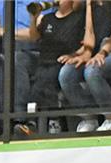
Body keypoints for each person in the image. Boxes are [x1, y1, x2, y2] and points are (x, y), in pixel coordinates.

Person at [59, 0, 111, 133]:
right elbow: (89, 33)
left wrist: (103, 52)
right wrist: (85, 54)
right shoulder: (92, 2)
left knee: (92, 71)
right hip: (99, 51)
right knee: (66, 74)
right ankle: (89, 118)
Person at [16, 0, 85, 136]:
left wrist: (73, 55)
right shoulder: (48, 18)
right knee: (37, 82)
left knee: (47, 80)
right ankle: (33, 123)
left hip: (62, 61)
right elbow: (34, 37)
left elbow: (85, 43)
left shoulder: (78, 18)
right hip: (44, 61)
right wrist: (33, 18)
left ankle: (50, 122)